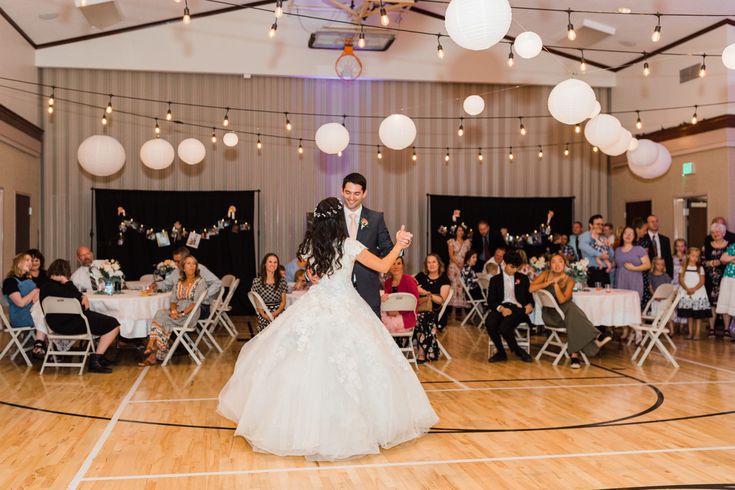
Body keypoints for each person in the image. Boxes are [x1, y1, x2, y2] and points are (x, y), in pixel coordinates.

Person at [217, 197, 437, 461]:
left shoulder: (311, 246)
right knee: (357, 361)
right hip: (346, 304)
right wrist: (399, 246)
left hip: (318, 302)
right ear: (338, 219)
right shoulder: (349, 244)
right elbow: (382, 266)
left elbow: (312, 276)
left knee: (305, 360)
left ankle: (301, 424)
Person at [530, 254, 611, 368]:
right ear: (550, 264)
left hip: (565, 317)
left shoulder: (570, 281)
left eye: (560, 262)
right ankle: (595, 336)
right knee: (572, 308)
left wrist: (556, 285)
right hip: (551, 316)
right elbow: (531, 288)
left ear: (565, 264)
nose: (557, 265)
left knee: (572, 315)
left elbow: (562, 300)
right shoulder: (545, 274)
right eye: (553, 262)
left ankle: (574, 355)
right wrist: (550, 282)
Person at [40, 259, 121, 373]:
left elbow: (76, 298)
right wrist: (68, 283)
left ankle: (99, 358)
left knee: (102, 320)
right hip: (74, 323)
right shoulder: (65, 287)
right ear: (66, 272)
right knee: (113, 324)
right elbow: (81, 305)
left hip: (54, 325)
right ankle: (96, 359)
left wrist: (82, 295)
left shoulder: (44, 287)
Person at [341, 173, 395, 317]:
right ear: (342, 191)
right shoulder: (333, 218)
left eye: (356, 193)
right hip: (339, 291)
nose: (351, 198)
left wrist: (401, 245)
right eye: (348, 192)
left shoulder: (375, 218)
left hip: (368, 290)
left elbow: (387, 249)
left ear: (364, 193)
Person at [141, 255, 208, 366]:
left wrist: (181, 313)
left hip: (189, 315)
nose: (192, 266)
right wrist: (173, 311)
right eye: (188, 264)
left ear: (196, 267)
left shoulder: (201, 282)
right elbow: (173, 300)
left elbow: (195, 303)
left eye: (194, 264)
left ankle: (152, 349)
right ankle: (152, 346)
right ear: (183, 267)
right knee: (160, 313)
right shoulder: (179, 282)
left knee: (164, 320)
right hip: (177, 312)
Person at [485, 250, 534, 363]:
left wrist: (530, 305)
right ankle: (501, 353)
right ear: (504, 264)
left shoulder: (523, 278)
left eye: (516, 267)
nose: (514, 270)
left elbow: (529, 298)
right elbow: (491, 301)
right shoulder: (495, 280)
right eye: (512, 267)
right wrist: (501, 309)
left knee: (503, 327)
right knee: (490, 322)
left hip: (518, 309)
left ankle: (518, 351)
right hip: (502, 307)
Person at [154, 246, 222, 318]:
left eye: (179, 261)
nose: (176, 264)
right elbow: (166, 285)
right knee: (162, 313)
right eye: (175, 261)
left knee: (165, 316)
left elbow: (217, 283)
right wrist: (155, 285)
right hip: (182, 305)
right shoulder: (176, 272)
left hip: (200, 307)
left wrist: (204, 296)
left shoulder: (199, 269)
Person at [2, 252, 46, 358]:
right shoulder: (10, 281)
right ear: (18, 263)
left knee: (49, 312)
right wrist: (35, 291)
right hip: (21, 316)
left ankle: (45, 347)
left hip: (33, 312)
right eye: (27, 260)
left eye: (31, 260)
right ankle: (44, 346)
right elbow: (20, 303)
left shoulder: (28, 279)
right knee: (48, 316)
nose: (31, 263)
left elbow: (35, 299)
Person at [615, 226, 651, 341]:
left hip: (635, 279)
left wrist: (634, 268)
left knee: (634, 306)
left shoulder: (639, 249)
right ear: (622, 235)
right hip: (621, 280)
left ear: (634, 236)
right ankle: (626, 331)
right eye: (626, 233)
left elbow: (647, 265)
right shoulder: (617, 250)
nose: (628, 235)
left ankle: (638, 331)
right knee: (623, 306)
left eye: (631, 233)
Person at [414, 254, 451, 361]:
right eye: (429, 262)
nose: (431, 264)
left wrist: (425, 292)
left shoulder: (444, 279)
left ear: (439, 264)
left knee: (421, 318)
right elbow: (409, 285)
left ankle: (421, 353)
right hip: (419, 308)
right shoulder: (421, 276)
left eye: (434, 262)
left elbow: (440, 300)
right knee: (410, 315)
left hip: (435, 312)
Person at [678, 248, 711, 340]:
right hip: (687, 292)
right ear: (688, 255)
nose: (695, 258)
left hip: (698, 293)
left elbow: (702, 281)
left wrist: (694, 289)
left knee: (698, 315)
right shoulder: (683, 267)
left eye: (697, 256)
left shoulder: (699, 268)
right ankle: (690, 333)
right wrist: (687, 288)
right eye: (693, 256)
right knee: (689, 315)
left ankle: (697, 333)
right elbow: (680, 280)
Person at [380, 256, 419, 333]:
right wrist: (383, 298)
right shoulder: (387, 282)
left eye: (398, 263)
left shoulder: (409, 280)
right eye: (393, 264)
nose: (396, 266)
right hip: (389, 314)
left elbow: (415, 301)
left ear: (403, 266)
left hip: (406, 317)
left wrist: (397, 312)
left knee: (380, 327)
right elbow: (387, 302)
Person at [250, 253, 287, 332]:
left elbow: (283, 302)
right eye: (270, 262)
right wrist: (264, 315)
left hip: (279, 312)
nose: (273, 264)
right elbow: (256, 302)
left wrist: (275, 313)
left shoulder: (282, 281)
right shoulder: (257, 281)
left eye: (275, 262)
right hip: (264, 313)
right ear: (265, 264)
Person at [703, 222, 729, 333]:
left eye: (718, 232)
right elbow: (702, 261)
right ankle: (712, 328)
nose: (715, 234)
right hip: (710, 280)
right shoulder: (707, 245)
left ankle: (727, 329)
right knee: (711, 304)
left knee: (725, 303)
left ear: (723, 233)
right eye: (713, 232)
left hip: (725, 279)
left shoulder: (730, 245)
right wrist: (711, 263)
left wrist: (723, 262)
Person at [579, 215, 613, 287]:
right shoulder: (585, 236)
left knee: (606, 295)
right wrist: (599, 255)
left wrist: (609, 247)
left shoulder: (603, 238)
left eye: (602, 224)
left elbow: (611, 255)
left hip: (605, 271)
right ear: (591, 225)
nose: (600, 226)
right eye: (598, 224)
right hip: (593, 271)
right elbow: (583, 246)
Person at [446, 225, 471, 312]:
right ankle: (453, 310)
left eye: (462, 230)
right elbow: (451, 255)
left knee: (462, 287)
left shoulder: (467, 242)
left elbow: (468, 255)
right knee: (454, 286)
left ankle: (463, 309)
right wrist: (458, 263)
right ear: (455, 231)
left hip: (463, 266)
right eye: (458, 230)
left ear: (464, 232)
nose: (460, 232)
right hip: (453, 266)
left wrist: (464, 265)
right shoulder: (451, 241)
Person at [715, 241, 735, 339]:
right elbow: (723, 258)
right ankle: (729, 330)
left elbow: (726, 259)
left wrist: (729, 259)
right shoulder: (733, 246)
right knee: (729, 304)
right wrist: (733, 258)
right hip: (729, 278)